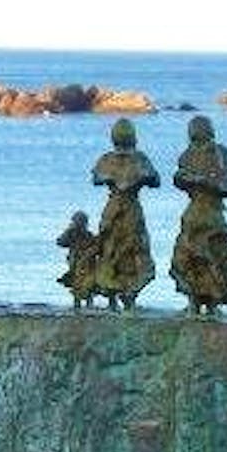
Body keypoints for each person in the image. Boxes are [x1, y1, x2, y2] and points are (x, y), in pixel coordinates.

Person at [169, 115, 227, 316]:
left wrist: (206, 181)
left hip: (212, 211)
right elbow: (179, 178)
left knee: (213, 252)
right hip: (195, 210)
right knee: (187, 255)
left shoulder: (221, 153)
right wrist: (186, 179)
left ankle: (212, 299)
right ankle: (194, 298)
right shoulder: (187, 155)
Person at [91, 118, 160, 311]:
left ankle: (115, 295)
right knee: (132, 248)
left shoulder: (106, 159)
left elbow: (97, 177)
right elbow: (155, 180)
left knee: (112, 248)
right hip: (129, 208)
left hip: (114, 207)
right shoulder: (139, 159)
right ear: (133, 137)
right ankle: (126, 294)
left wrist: (115, 177)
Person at [56, 210, 98, 309]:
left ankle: (88, 305)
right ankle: (78, 305)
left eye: (81, 221)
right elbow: (60, 242)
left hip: (88, 263)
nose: (79, 224)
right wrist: (68, 231)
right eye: (77, 221)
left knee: (88, 285)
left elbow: (96, 247)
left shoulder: (89, 235)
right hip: (75, 263)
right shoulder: (71, 233)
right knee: (76, 284)